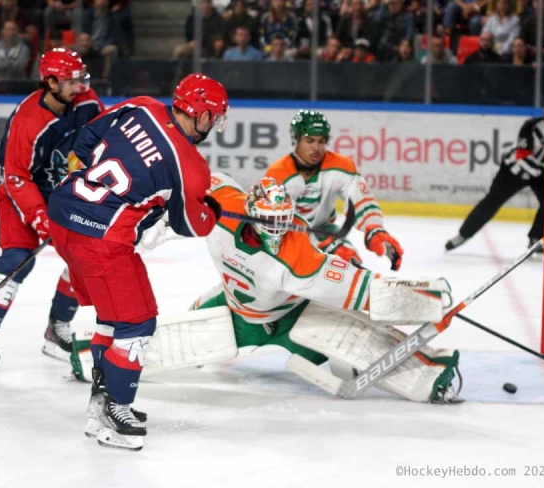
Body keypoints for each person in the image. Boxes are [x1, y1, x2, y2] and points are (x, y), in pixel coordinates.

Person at [79, 174, 461, 405]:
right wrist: (155, 219)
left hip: (293, 316)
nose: (278, 229)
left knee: (357, 341)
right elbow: (192, 181)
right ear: (250, 211)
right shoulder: (223, 210)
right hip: (233, 311)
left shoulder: (299, 259)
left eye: (283, 219)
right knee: (149, 339)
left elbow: (361, 290)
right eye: (270, 220)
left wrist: (423, 299)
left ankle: (431, 373)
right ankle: (88, 353)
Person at [46, 73, 229, 451]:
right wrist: (213, 210)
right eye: (215, 116)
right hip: (101, 239)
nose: (215, 124)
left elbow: (85, 140)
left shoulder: (141, 105)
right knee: (138, 321)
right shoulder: (190, 165)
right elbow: (191, 225)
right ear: (202, 113)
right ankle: (118, 410)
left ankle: (102, 402)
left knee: (113, 319)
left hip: (64, 214)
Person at [0, 48, 103, 373]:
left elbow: (105, 138)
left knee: (83, 258)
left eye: (81, 78)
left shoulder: (86, 100)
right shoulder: (29, 120)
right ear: (51, 82)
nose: (79, 85)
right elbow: (15, 176)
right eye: (71, 80)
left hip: (63, 192)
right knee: (16, 264)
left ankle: (56, 329)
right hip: (20, 192)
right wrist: (41, 218)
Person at [264, 109, 404, 271]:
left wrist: (374, 229)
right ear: (296, 140)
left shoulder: (340, 166)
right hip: (290, 237)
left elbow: (360, 199)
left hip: (325, 231)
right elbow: (269, 227)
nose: (317, 148)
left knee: (348, 260)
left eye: (322, 141)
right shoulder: (279, 174)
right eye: (310, 141)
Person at [445, 92, 544, 252]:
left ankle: (535, 239)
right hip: (514, 170)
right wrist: (543, 172)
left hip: (539, 175)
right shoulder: (531, 126)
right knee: (492, 201)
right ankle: (463, 235)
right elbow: (521, 155)